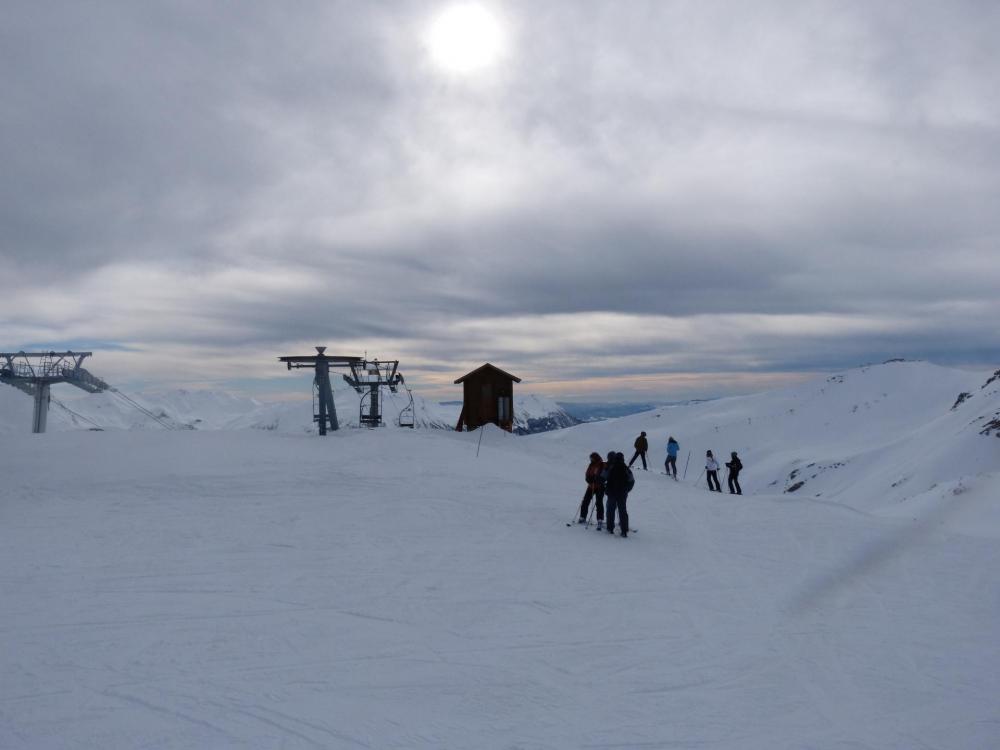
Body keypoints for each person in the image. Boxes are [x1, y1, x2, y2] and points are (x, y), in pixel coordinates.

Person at [605, 452, 634, 537]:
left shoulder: (611, 467)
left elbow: (604, 476)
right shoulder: (625, 468)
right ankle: (624, 530)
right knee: (622, 511)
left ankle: (610, 528)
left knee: (610, 510)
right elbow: (632, 481)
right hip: (622, 494)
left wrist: (606, 488)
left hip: (611, 493)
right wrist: (627, 490)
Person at [579, 452, 606, 526]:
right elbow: (587, 474)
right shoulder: (591, 465)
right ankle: (582, 517)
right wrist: (588, 479)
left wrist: (597, 479)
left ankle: (600, 519)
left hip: (600, 487)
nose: (591, 460)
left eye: (592, 458)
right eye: (591, 458)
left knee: (599, 503)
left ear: (596, 458)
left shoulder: (602, 465)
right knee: (585, 501)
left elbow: (604, 476)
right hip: (591, 486)